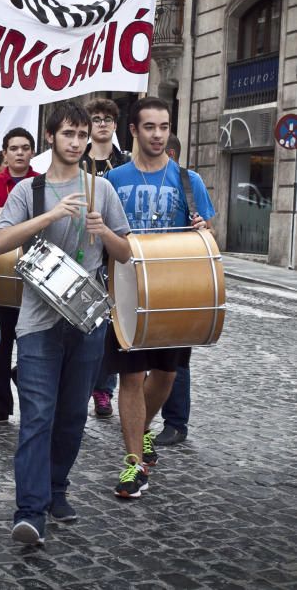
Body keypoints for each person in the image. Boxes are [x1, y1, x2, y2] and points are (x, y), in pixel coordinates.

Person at [0, 102, 130, 546]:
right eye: (68, 134)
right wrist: (50, 216)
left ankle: (57, 489)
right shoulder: (27, 192)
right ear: (50, 137)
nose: (75, 142)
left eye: (82, 135)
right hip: (37, 323)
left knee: (72, 418)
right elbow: (0, 241)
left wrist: (103, 232)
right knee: (37, 417)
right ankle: (29, 511)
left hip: (87, 323)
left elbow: (125, 252)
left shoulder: (102, 189)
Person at [105, 98, 215, 499]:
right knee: (131, 377)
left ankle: (143, 430)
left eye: (164, 127)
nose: (157, 135)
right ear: (132, 131)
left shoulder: (189, 181)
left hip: (173, 292)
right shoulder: (113, 181)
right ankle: (134, 463)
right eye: (149, 127)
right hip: (126, 291)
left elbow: (207, 241)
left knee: (166, 377)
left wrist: (202, 229)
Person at [0, 127, 39, 428]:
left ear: (32, 152)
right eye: (14, 148)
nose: (19, 153)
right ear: (5, 153)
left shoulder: (42, 183)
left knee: (32, 348)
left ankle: (32, 402)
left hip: (32, 282)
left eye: (25, 148)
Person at [80, 98, 131, 419]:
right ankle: (79, 386)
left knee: (111, 326)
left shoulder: (124, 163)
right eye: (96, 119)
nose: (101, 124)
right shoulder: (76, 160)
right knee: (84, 323)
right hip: (83, 253)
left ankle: (103, 389)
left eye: (107, 119)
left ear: (114, 125)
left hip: (114, 252)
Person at [157, 133, 191, 446]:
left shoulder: (187, 181)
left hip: (178, 283)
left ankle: (176, 422)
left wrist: (204, 229)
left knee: (176, 362)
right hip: (137, 280)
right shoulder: (124, 176)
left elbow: (207, 231)